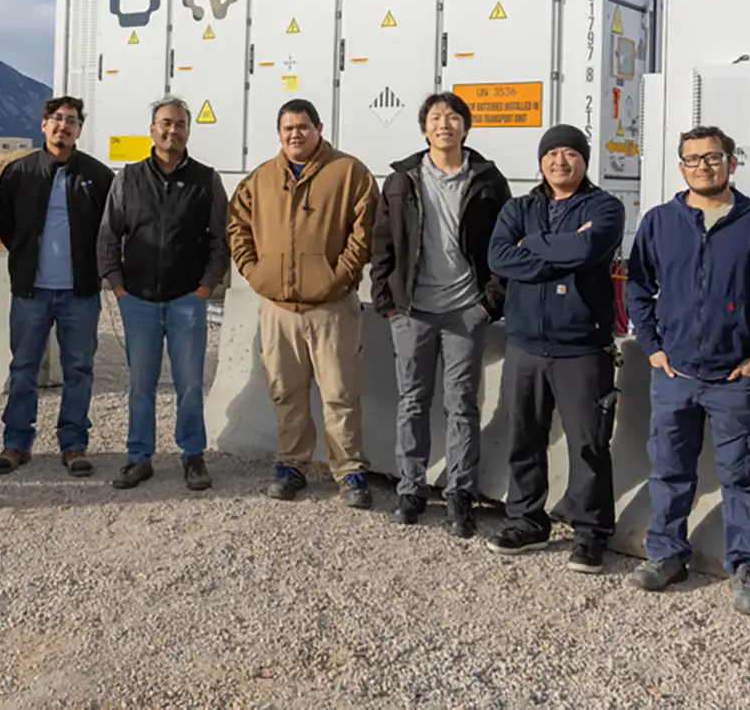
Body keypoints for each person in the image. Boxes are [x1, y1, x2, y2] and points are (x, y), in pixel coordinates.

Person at [623, 125, 750, 614]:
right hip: (674, 375)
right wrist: (653, 347)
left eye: (713, 157)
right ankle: (667, 554)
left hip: (734, 379)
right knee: (670, 470)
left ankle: (744, 565)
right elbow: (637, 289)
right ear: (681, 167)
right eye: (693, 159)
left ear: (731, 163)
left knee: (741, 475)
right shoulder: (660, 222)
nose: (703, 165)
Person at [484, 125, 625, 572]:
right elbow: (498, 258)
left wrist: (532, 247)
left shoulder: (605, 207)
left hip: (582, 346)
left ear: (584, 161)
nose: (560, 161)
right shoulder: (518, 207)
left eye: (570, 154)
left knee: (588, 443)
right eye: (552, 154)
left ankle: (590, 532)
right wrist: (555, 251)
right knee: (524, 437)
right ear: (540, 161)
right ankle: (527, 519)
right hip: (525, 343)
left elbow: (587, 249)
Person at [227, 99, 379, 507]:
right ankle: (292, 463)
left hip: (332, 308)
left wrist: (338, 278)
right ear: (279, 133)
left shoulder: (350, 174)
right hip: (279, 308)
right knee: (285, 391)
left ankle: (349, 472)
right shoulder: (259, 180)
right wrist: (256, 274)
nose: (295, 133)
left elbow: (363, 234)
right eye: (288, 127)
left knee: (340, 391)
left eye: (303, 126)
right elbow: (237, 227)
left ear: (319, 128)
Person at [371, 92, 510, 537]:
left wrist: (489, 303)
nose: (444, 124)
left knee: (462, 405)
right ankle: (411, 488)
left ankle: (459, 493)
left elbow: (505, 245)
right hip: (412, 311)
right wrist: (386, 301)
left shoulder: (488, 180)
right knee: (412, 401)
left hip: (465, 311)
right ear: (424, 129)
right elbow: (382, 244)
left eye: (453, 117)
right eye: (435, 117)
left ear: (466, 128)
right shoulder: (402, 179)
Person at [96, 96, 228, 492]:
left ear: (189, 130)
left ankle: (193, 456)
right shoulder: (128, 178)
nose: (173, 130)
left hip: (188, 298)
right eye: (166, 123)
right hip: (137, 300)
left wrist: (206, 286)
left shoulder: (206, 180)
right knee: (141, 384)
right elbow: (108, 235)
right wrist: (117, 286)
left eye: (181, 124)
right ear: (152, 129)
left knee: (189, 383)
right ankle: (139, 457)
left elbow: (220, 240)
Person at [0, 97, 115, 477]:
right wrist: (27, 260)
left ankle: (73, 445)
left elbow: (109, 229)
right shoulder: (19, 172)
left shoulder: (98, 175)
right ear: (43, 125)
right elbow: (6, 226)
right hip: (32, 291)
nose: (64, 126)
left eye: (72, 120)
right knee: (23, 367)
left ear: (80, 129)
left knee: (79, 369)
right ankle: (16, 444)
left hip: (80, 293)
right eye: (57, 119)